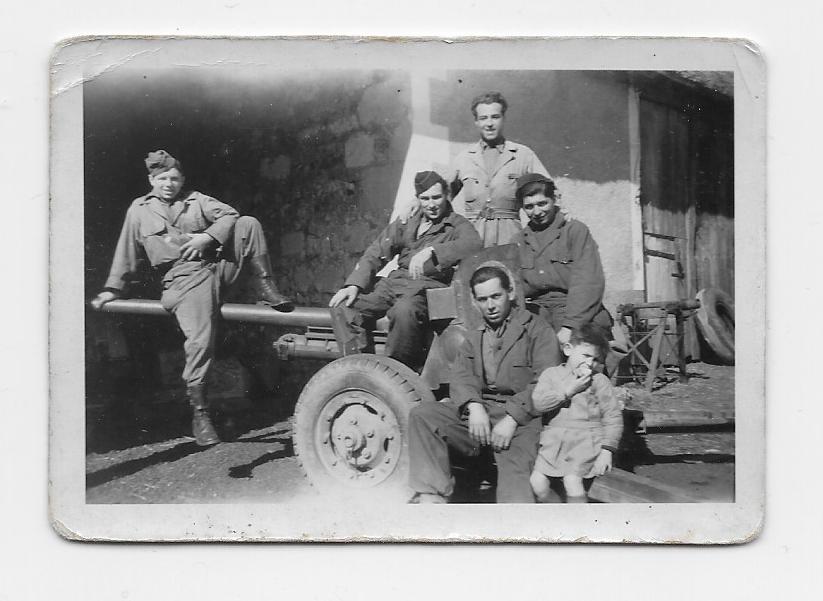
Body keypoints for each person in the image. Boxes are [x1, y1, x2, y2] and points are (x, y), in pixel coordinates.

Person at [91, 150, 293, 446]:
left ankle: (266, 286)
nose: (169, 184)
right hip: (182, 279)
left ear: (182, 179)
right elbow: (126, 252)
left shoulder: (196, 199)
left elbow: (231, 215)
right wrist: (113, 288)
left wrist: (207, 238)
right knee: (201, 341)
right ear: (151, 180)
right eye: (162, 179)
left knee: (248, 223)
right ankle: (201, 413)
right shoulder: (140, 209)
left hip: (217, 268)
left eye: (174, 178)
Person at [407, 265, 563, 503]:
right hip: (481, 415)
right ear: (474, 301)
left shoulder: (537, 330)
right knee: (424, 416)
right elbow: (461, 376)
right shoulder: (475, 334)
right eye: (482, 299)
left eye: (496, 296)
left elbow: (546, 382)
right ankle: (432, 496)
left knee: (514, 497)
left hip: (521, 421)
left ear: (510, 293)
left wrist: (512, 418)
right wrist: (474, 405)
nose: (490, 306)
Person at [329, 171, 482, 370]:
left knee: (403, 312)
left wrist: (434, 251)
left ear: (447, 195)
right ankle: (360, 368)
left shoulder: (456, 224)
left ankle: (396, 374)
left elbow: (474, 244)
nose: (431, 204)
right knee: (342, 306)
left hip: (426, 287)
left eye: (436, 197)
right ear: (417, 199)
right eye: (425, 198)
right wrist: (354, 284)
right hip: (393, 283)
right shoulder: (408, 219)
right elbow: (377, 250)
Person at [513, 172, 613, 347]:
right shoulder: (519, 241)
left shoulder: (575, 231)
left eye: (542, 203)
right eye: (529, 207)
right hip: (537, 311)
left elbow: (588, 283)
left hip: (574, 308)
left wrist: (570, 326)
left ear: (554, 200)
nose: (536, 212)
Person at [529, 323, 623, 503]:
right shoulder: (551, 375)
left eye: (595, 359)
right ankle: (559, 517)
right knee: (537, 483)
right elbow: (539, 404)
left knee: (572, 481)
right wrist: (567, 391)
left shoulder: (599, 380)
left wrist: (607, 450)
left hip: (585, 442)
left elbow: (612, 417)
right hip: (553, 442)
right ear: (568, 349)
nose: (590, 363)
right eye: (586, 355)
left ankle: (577, 525)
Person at [451, 91, 551, 247]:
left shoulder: (523, 155)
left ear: (504, 119)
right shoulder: (464, 158)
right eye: (483, 118)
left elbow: (550, 191)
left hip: (510, 237)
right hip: (473, 238)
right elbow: (439, 193)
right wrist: (413, 205)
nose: (489, 123)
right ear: (476, 122)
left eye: (495, 117)